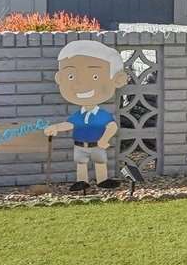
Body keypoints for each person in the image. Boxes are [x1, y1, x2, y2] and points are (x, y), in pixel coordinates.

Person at [47, 40, 129, 191]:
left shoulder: (102, 115)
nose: (81, 84)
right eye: (71, 76)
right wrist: (56, 128)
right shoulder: (79, 114)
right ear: (60, 78)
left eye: (95, 77)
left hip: (97, 145)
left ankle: (102, 180)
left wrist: (104, 139)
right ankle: (82, 181)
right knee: (81, 163)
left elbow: (112, 126)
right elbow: (70, 124)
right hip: (80, 145)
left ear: (117, 80)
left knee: (100, 162)